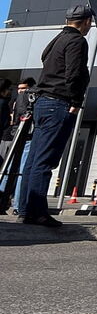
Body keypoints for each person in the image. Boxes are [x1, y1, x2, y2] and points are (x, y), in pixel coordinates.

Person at [20, 5, 95, 227]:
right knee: (45, 161)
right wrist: (75, 101)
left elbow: (45, 60)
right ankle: (39, 212)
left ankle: (26, 209)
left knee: (33, 160)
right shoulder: (77, 41)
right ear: (86, 21)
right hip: (59, 103)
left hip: (43, 102)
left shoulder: (56, 40)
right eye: (90, 22)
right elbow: (73, 73)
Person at [2, 78, 34, 215]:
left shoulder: (16, 100)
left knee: (9, 168)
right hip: (27, 135)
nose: (21, 91)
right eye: (19, 88)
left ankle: (3, 200)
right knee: (21, 170)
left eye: (23, 88)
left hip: (17, 134)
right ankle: (18, 205)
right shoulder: (30, 97)